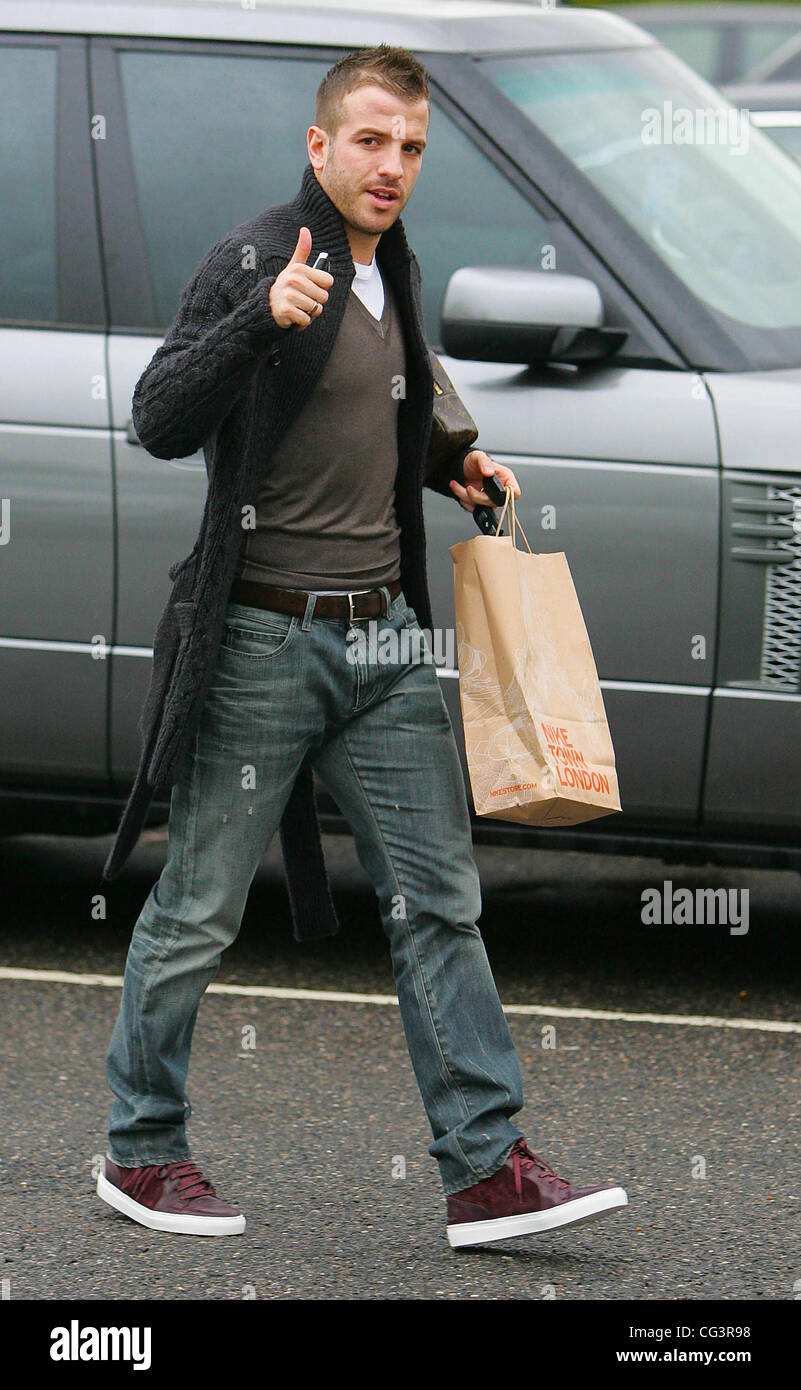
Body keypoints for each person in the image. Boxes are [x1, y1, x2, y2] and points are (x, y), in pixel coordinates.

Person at [97, 44, 628, 1248]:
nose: (394, 167)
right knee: (197, 909)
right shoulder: (254, 258)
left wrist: (454, 465)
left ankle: (486, 1167)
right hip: (260, 639)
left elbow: (383, 407)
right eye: (373, 142)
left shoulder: (397, 269)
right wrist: (254, 320)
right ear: (320, 145)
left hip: (383, 646)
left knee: (440, 900)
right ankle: (140, 1149)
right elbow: (158, 418)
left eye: (414, 149)